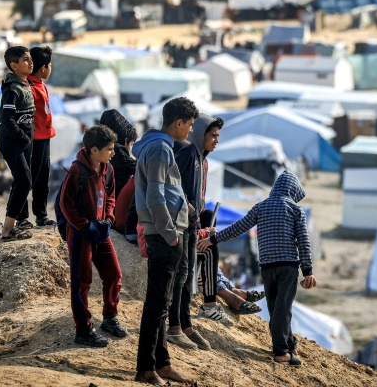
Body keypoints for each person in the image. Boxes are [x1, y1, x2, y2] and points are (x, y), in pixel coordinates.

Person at [198, 171, 316, 366]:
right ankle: (281, 352)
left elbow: (238, 227)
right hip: (288, 266)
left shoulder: (261, 207)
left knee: (275, 308)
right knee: (283, 308)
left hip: (267, 267)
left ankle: (290, 344)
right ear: (293, 191)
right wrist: (308, 270)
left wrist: (213, 240)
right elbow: (303, 241)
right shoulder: (296, 209)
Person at [133, 97, 198, 386]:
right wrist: (171, 235)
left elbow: (165, 192)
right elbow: (155, 197)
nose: (191, 130)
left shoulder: (158, 145)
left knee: (162, 303)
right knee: (156, 305)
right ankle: (146, 369)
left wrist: (185, 206)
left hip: (165, 233)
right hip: (163, 236)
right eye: (190, 125)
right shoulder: (160, 148)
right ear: (178, 123)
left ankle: (162, 364)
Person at [59, 124, 127, 347]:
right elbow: (66, 204)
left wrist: (108, 218)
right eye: (110, 149)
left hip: (101, 231)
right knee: (82, 282)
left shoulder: (108, 169)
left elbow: (110, 196)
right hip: (81, 234)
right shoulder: (76, 171)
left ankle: (110, 317)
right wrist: (84, 225)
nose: (113, 153)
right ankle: (83, 329)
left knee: (114, 274)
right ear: (94, 150)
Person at [167, 114, 224, 351]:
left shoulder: (203, 160)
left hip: (193, 226)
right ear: (201, 134)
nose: (216, 140)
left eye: (218, 136)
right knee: (180, 277)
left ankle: (186, 325)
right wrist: (188, 207)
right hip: (180, 224)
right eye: (213, 135)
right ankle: (175, 327)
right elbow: (171, 183)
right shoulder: (188, 154)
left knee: (188, 276)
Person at [0, 46, 35, 242]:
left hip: (23, 141)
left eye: (30, 59)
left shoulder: (24, 84)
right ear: (14, 65)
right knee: (24, 181)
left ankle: (20, 222)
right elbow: (5, 118)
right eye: (25, 60)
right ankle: (7, 230)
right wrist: (22, 137)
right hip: (12, 141)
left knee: (22, 180)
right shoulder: (12, 88)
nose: (30, 63)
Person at [17, 45, 56, 229]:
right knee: (27, 178)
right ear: (43, 68)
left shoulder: (41, 85)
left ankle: (41, 215)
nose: (50, 69)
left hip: (45, 137)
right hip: (33, 139)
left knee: (43, 178)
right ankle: (21, 217)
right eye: (50, 65)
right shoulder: (28, 88)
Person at [99, 109, 138, 199]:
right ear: (125, 140)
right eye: (131, 144)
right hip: (115, 202)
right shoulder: (116, 151)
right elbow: (138, 168)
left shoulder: (99, 148)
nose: (130, 149)